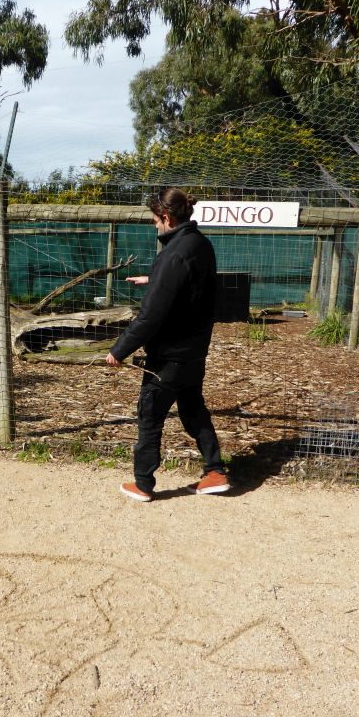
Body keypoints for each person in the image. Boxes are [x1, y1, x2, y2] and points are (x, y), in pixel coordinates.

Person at [105, 187, 229, 500]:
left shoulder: (172, 253)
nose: (153, 225)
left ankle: (143, 483)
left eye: (155, 219)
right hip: (194, 350)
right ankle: (214, 471)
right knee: (192, 410)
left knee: (150, 416)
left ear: (167, 217)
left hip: (168, 356)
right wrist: (154, 279)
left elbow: (150, 317)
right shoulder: (200, 244)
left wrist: (119, 350)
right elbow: (190, 284)